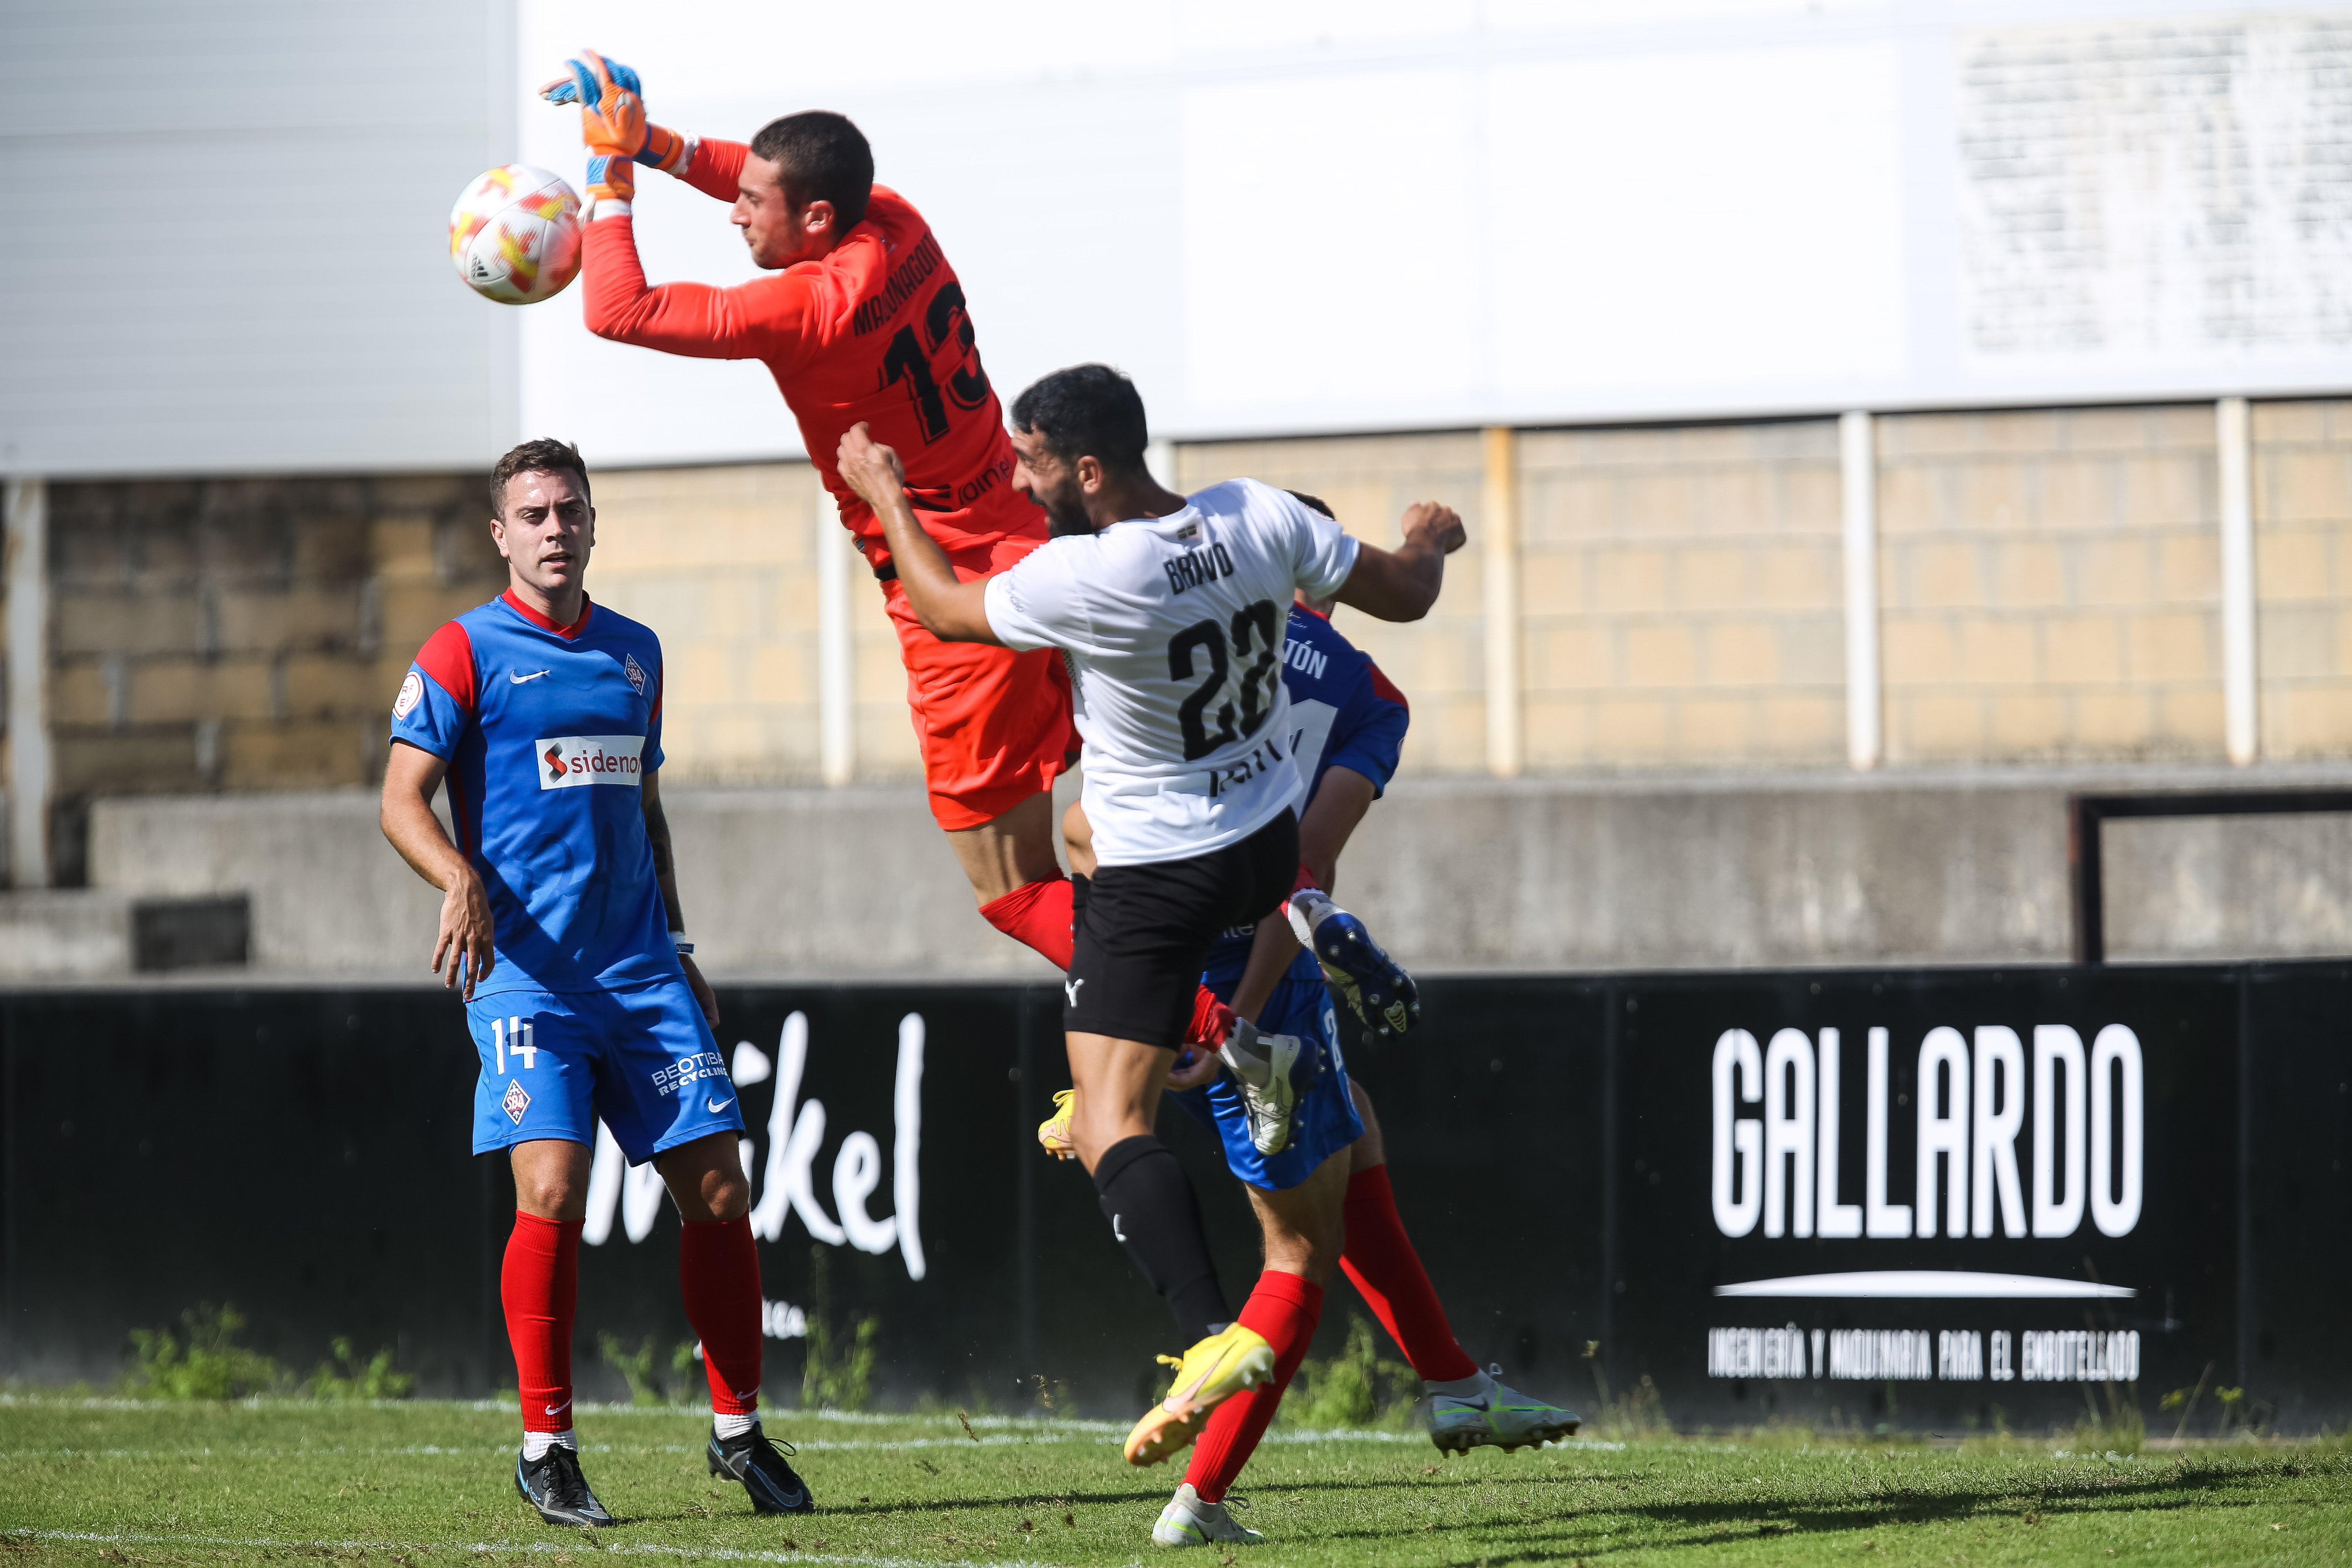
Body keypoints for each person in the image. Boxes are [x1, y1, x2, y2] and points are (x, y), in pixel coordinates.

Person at [539, 53, 1310, 1054]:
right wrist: (655, 140)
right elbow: (772, 175)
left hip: (962, 601)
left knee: (1011, 886)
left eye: (755, 205)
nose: (736, 211)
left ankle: (1231, 1028)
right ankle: (1283, 928)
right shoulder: (895, 216)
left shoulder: (810, 308)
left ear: (816, 221)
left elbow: (617, 310)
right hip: (1039, 545)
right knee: (1096, 827)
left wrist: (612, 177)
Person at [832, 364, 1464, 1550]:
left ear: (1085, 469)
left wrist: (884, 495)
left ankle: (1205, 1323)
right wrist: (1428, 538)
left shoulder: (1088, 574)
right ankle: (1254, 1007)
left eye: (1029, 463)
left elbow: (944, 609)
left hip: (1153, 881)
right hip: (1261, 856)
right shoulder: (1260, 517)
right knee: (1166, 1062)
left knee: (1108, 1119)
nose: (1018, 481)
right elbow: (1407, 593)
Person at [1058, 504, 1578, 1546]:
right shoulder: (1365, 691)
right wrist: (1244, 1012)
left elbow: (1078, 827)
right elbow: (1307, 868)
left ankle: (1453, 1380)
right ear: (1326, 580)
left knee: (1355, 1134)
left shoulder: (1170, 622)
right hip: (1265, 968)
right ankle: (1197, 1490)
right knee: (1297, 1252)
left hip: (1137, 947)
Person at [379, 439, 812, 1526]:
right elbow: (399, 800)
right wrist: (459, 877)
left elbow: (646, 814)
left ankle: (738, 1433)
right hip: (526, 979)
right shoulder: (462, 651)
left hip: (642, 971)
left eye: (570, 509)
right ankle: (546, 1445)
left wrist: (682, 942)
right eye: (533, 514)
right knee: (555, 1194)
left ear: (593, 521)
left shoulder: (636, 655)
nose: (555, 529)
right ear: (501, 534)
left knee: (719, 1191)